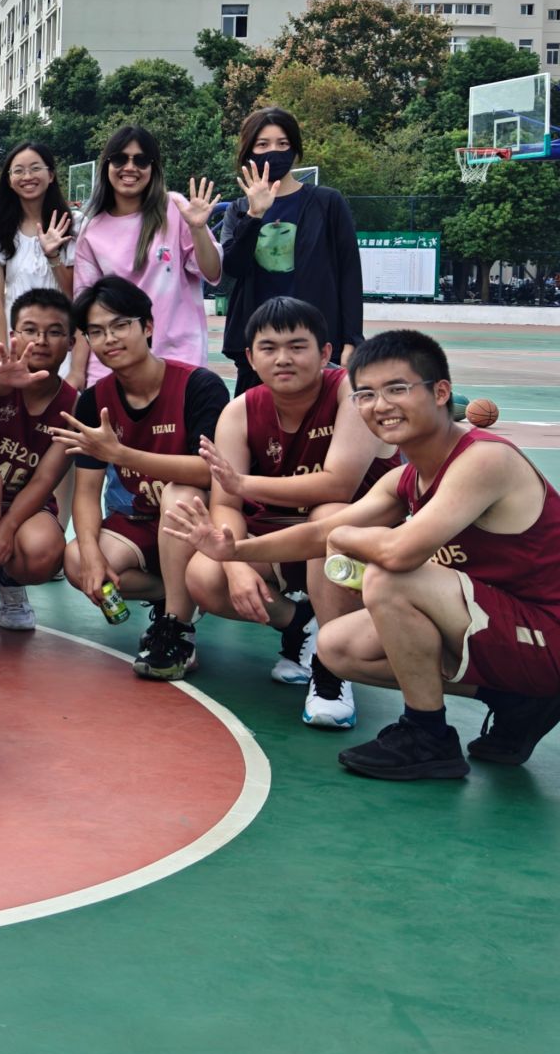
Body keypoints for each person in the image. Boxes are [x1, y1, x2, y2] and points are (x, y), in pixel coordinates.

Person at [168, 330, 560, 779]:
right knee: (336, 647)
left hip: (546, 630)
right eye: (366, 394)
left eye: (397, 389)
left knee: (391, 577)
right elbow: (318, 533)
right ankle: (516, 700)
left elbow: (397, 551)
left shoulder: (484, 459)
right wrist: (235, 550)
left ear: (441, 393)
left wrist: (343, 538)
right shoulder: (406, 479)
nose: (381, 405)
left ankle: (427, 734)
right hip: (502, 626)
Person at [170, 297, 382, 730]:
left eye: (297, 346)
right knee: (205, 576)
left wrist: (244, 483)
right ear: (250, 357)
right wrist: (234, 563)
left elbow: (338, 485)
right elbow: (225, 505)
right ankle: (301, 625)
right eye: (269, 348)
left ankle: (332, 668)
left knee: (332, 515)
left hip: (359, 545)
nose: (283, 358)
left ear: (324, 352)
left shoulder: (350, 392)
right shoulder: (240, 411)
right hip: (282, 539)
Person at [55, 276, 227, 682]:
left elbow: (210, 472)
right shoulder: (94, 400)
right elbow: (86, 492)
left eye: (119, 325)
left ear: (147, 326)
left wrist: (121, 454)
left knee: (180, 494)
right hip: (139, 524)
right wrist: (93, 557)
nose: (109, 339)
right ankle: (173, 592)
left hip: (198, 524)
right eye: (96, 332)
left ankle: (177, 628)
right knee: (77, 560)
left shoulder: (198, 386)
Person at [219, 106, 365, 394]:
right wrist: (255, 215)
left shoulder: (328, 203)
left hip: (316, 342)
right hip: (259, 346)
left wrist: (352, 340)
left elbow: (349, 273)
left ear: (295, 150)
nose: (273, 151)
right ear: (248, 152)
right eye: (263, 144)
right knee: (257, 420)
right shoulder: (238, 209)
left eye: (282, 143)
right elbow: (233, 268)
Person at [0, 287, 80, 632]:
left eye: (54, 332)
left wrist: (8, 527)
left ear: (71, 342)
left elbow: (45, 479)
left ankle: (9, 581)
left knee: (44, 551)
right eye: (30, 330)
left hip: (21, 504)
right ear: (13, 336)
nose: (40, 340)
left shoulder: (72, 404)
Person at [70, 124, 219, 386]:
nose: (130, 167)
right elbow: (85, 309)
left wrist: (198, 230)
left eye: (140, 160)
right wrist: (77, 372)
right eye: (120, 159)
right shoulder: (92, 230)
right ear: (107, 165)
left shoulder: (174, 208)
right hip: (113, 367)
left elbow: (212, 271)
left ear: (153, 168)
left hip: (177, 361)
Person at [0, 140, 75, 347]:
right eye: (19, 171)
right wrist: (2, 352)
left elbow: (73, 292)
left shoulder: (72, 224)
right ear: (9, 180)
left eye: (35, 168)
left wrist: (52, 256)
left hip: (58, 337)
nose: (27, 176)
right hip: (14, 336)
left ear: (51, 175)